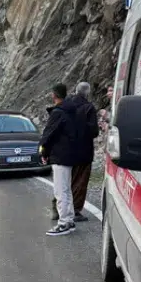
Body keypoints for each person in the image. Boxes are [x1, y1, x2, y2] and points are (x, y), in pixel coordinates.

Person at [39, 83, 85, 236]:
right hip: (70, 154)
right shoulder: (72, 111)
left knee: (60, 190)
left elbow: (48, 134)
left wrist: (43, 151)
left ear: (54, 95)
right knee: (66, 188)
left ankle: (64, 222)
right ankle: (70, 219)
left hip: (60, 155)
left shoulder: (58, 113)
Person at [51, 82, 100, 222]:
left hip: (66, 149)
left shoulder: (66, 105)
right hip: (84, 149)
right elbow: (94, 131)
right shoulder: (88, 108)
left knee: (65, 181)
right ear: (87, 93)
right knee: (80, 180)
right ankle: (76, 209)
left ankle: (58, 208)